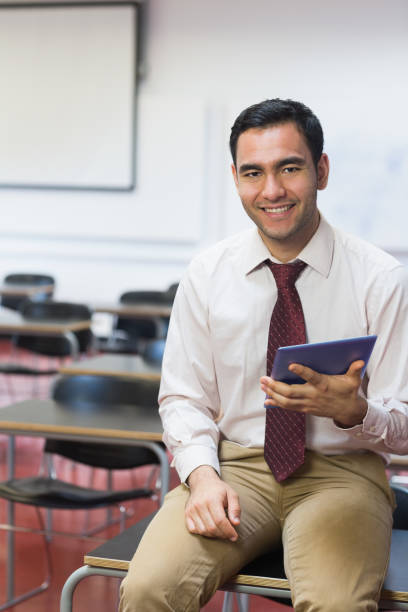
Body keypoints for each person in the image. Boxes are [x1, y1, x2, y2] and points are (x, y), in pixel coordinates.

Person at [119, 99, 408, 611]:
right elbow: (184, 398)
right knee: (147, 589)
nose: (271, 190)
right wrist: (202, 477)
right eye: (253, 172)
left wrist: (356, 411)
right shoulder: (208, 274)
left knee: (339, 606)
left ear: (321, 170)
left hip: (342, 474)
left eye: (289, 168)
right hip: (235, 468)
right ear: (235, 178)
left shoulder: (381, 281)